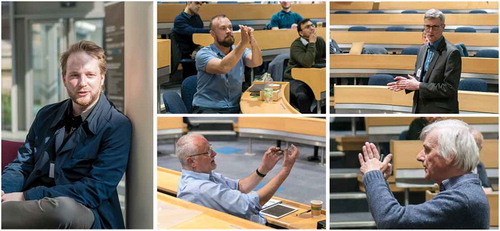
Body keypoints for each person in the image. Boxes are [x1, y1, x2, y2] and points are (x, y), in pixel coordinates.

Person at [1, 41, 132, 229]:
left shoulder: (117, 125)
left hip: (85, 210)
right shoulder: (46, 114)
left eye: (90, 75)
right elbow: (22, 164)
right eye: (74, 76)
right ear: (64, 79)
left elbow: (95, 190)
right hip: (33, 207)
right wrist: (3, 189)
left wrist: (25, 196)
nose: (82, 83)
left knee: (63, 210)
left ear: (102, 78)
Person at [358, 119, 489, 228]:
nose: (419, 156)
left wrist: (373, 174)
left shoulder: (462, 198)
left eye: (427, 150)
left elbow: (391, 220)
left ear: (450, 156)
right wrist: (379, 180)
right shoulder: (464, 191)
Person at [175, 134, 299, 224]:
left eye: (211, 148)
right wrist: (285, 170)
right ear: (192, 161)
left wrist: (263, 169)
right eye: (207, 152)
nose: (214, 154)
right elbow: (250, 204)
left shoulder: (204, 175)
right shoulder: (200, 188)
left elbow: (239, 187)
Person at [387, 9, 461, 113]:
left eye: (435, 27)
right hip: (420, 107)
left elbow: (449, 88)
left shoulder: (452, 52)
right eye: (427, 26)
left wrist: (418, 85)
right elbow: (420, 78)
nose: (430, 31)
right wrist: (406, 83)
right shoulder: (422, 49)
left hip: (440, 111)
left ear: (443, 27)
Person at [192, 14, 262, 113]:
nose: (228, 31)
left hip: (235, 106)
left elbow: (256, 62)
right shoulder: (203, 54)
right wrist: (242, 43)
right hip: (209, 108)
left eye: (230, 27)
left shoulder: (240, 50)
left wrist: (252, 39)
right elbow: (223, 67)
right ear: (212, 33)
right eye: (223, 28)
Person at [284, 18, 326, 113]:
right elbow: (307, 63)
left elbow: (326, 60)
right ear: (301, 33)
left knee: (326, 94)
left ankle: (316, 115)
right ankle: (306, 118)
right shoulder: (296, 45)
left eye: (312, 25)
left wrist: (315, 63)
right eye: (307, 27)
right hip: (295, 78)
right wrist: (311, 43)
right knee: (303, 96)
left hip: (313, 76)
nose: (311, 28)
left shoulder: (320, 41)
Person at [172, 1, 210, 78]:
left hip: (197, 48)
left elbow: (200, 36)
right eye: (197, 3)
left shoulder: (197, 17)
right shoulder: (179, 19)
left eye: (200, 4)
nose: (199, 6)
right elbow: (192, 31)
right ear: (189, 2)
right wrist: (211, 31)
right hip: (186, 52)